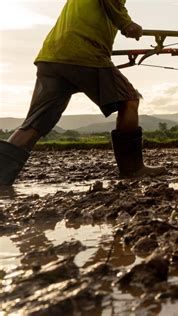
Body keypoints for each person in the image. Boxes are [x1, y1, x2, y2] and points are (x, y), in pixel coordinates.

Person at [0, 0, 166, 186]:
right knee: (129, 100)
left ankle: (1, 176)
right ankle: (133, 169)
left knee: (35, 122)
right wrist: (127, 24)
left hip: (52, 56)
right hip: (83, 51)